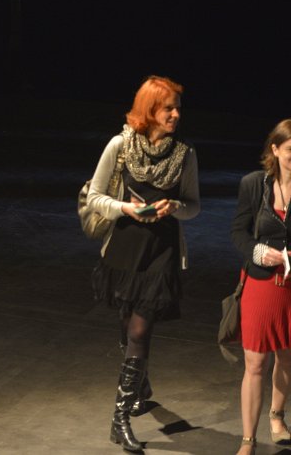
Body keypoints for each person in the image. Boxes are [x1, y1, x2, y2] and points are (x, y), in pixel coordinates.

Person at [86, 75, 200, 452]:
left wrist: (176, 206)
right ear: (150, 110)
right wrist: (126, 208)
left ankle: (119, 419)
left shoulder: (185, 153)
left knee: (139, 330)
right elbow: (95, 197)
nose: (176, 115)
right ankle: (140, 384)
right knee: (126, 322)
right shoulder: (120, 145)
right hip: (124, 247)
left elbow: (193, 206)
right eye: (168, 108)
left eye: (178, 108)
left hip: (160, 251)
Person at [231, 119, 291, 455]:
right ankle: (248, 440)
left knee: (287, 357)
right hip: (262, 284)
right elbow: (238, 232)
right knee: (255, 363)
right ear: (275, 149)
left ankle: (277, 417)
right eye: (290, 150)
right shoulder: (254, 184)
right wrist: (257, 251)